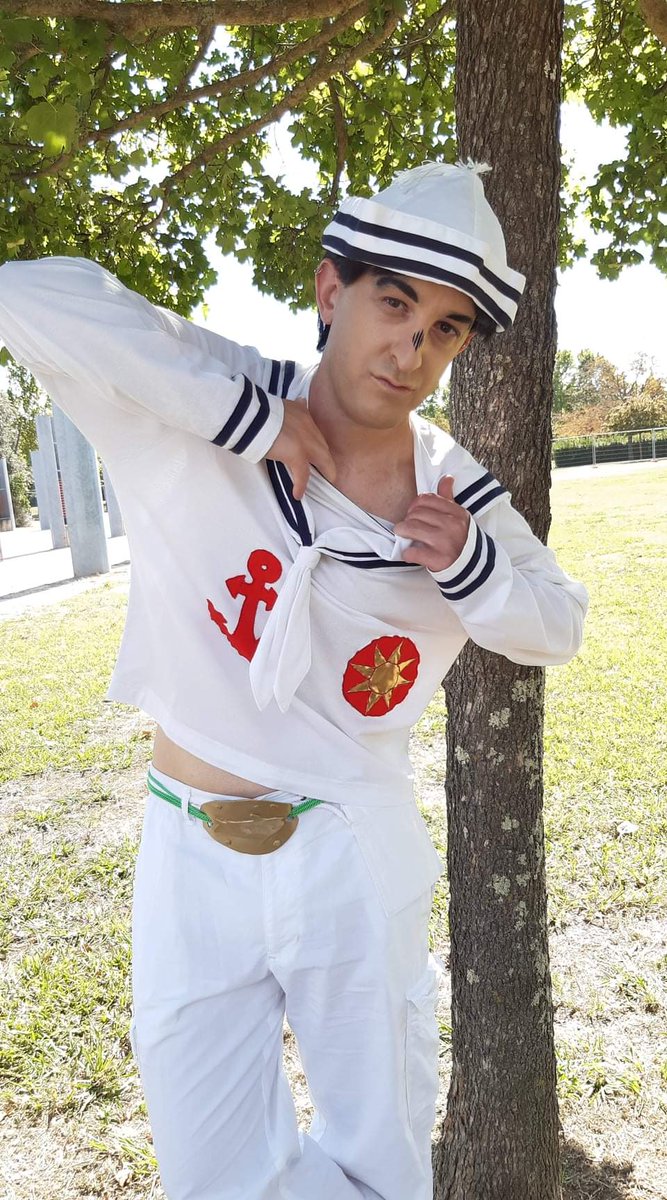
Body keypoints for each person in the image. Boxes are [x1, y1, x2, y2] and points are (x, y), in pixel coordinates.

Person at [0, 161, 587, 1200]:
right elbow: (26, 293)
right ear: (329, 290)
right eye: (393, 303)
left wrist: (469, 565)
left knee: (381, 1160)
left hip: (350, 853)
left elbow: (557, 623)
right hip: (188, 845)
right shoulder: (211, 399)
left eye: (445, 329)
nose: (410, 349)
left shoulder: (452, 488)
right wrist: (248, 420)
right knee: (210, 1170)